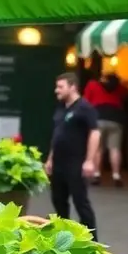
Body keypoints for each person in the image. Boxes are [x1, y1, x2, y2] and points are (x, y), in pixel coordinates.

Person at [46, 72, 100, 238]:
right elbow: (57, 135)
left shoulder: (85, 107)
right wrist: (50, 159)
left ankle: (93, 240)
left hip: (76, 162)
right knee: (58, 201)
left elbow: (95, 133)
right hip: (59, 163)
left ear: (73, 87)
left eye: (61, 87)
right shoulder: (61, 108)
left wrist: (90, 161)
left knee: (80, 202)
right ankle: (63, 238)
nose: (57, 90)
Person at [84, 71, 127, 186]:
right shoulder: (119, 87)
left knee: (98, 148)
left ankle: (97, 174)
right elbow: (127, 97)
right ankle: (116, 175)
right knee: (115, 149)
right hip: (116, 119)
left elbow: (86, 101)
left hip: (98, 117)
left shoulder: (92, 84)